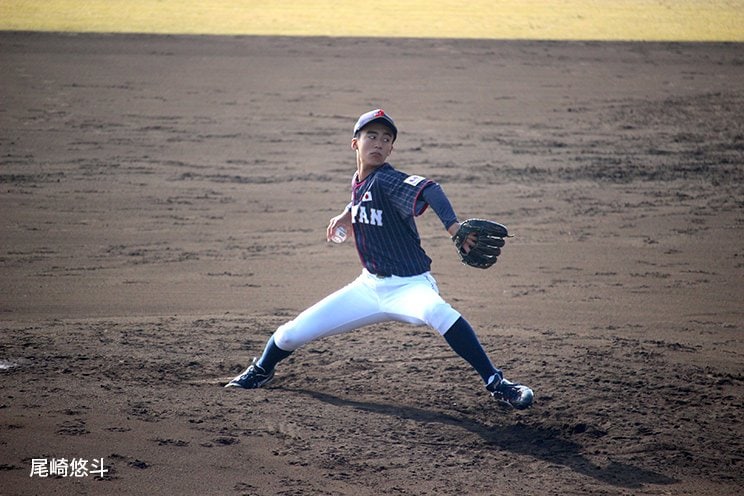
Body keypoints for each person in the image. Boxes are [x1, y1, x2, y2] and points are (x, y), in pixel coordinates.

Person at [225, 109, 533, 409]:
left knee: (438, 312)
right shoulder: (360, 179)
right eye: (371, 136)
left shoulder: (387, 180)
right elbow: (359, 195)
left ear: (391, 148)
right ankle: (261, 370)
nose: (379, 143)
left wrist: (453, 226)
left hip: (410, 287)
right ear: (355, 143)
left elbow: (430, 189)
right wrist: (347, 214)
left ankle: (497, 384)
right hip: (368, 288)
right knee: (291, 333)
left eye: (386, 139)